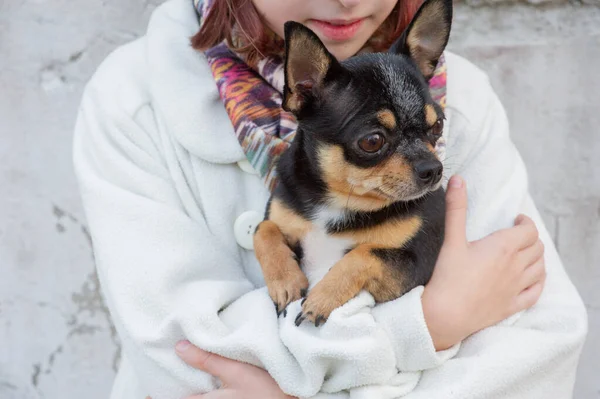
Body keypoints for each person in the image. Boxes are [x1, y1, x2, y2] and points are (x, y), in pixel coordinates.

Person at [72, 0, 588, 398]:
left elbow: (539, 352)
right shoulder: (133, 102)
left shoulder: (464, 95)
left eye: (432, 134)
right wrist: (428, 324)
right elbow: (183, 360)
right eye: (371, 142)